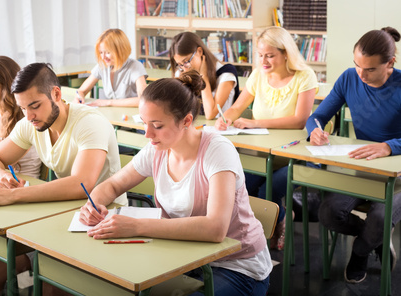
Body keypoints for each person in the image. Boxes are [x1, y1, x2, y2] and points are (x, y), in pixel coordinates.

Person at [79, 70, 272, 296]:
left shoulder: (218, 151)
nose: (147, 134)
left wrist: (135, 226)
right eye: (144, 123)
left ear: (187, 121)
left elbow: (216, 229)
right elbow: (112, 186)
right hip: (185, 258)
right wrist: (93, 205)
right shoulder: (157, 149)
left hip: (237, 267)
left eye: (157, 125)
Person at [0, 62, 126, 296]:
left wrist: (14, 195)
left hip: (105, 218)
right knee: (2, 264)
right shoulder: (30, 123)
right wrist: (1, 176)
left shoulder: (89, 123)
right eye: (23, 108)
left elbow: (81, 184)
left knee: (52, 281)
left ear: (56, 94)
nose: (29, 116)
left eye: (34, 106)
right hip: (64, 214)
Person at [308, 26, 401, 284]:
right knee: (328, 213)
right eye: (357, 65)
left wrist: (389, 146)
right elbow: (316, 117)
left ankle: (360, 252)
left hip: (398, 174)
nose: (361, 74)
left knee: (380, 218)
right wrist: (314, 131)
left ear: (390, 62)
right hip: (363, 168)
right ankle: (377, 242)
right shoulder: (349, 78)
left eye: (370, 69)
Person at [215, 26, 318, 250]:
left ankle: (276, 221)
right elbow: (237, 107)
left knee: (266, 192)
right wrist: (225, 119)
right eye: (260, 55)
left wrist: (255, 122)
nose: (264, 61)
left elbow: (300, 120)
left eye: (270, 55)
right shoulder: (258, 75)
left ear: (286, 53)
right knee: (244, 188)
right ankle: (275, 222)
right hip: (261, 152)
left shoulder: (304, 76)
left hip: (293, 155)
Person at [170, 31, 240, 120]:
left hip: (219, 130)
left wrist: (204, 77)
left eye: (186, 61)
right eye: (180, 64)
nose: (184, 69)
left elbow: (210, 114)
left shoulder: (226, 75)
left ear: (199, 51)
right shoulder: (182, 72)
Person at [73, 28, 147, 107]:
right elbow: (81, 91)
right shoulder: (102, 66)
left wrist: (109, 102)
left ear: (120, 50)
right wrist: (79, 97)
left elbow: (144, 100)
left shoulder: (135, 66)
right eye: (101, 52)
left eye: (108, 52)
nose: (103, 57)